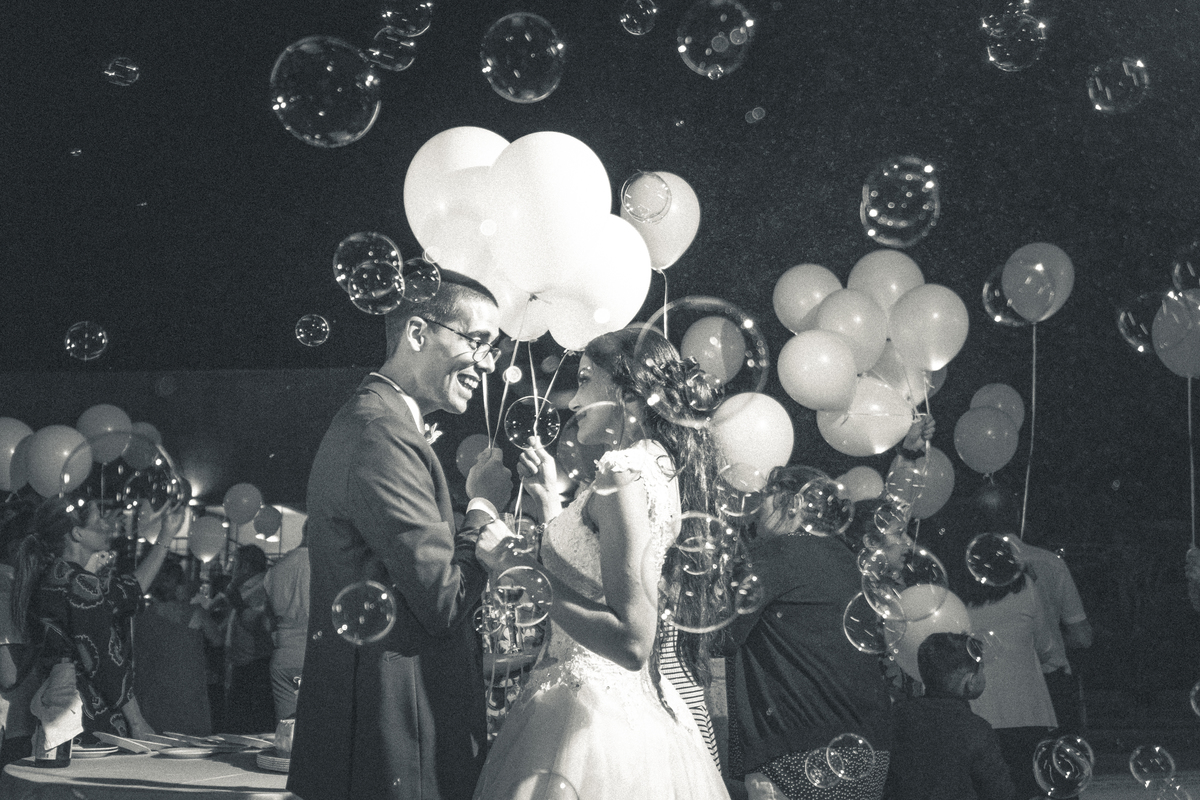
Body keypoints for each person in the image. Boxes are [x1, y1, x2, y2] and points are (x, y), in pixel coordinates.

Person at [471, 328, 732, 800]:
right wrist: (551, 500)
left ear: (627, 393)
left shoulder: (624, 472)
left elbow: (632, 641)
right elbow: (589, 572)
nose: (572, 402)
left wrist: (515, 563)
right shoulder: (654, 464)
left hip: (590, 724)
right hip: (605, 707)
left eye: (586, 379)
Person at [288, 271, 512, 800]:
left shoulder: (381, 421)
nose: (486, 363)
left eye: (493, 349)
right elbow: (442, 598)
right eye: (477, 341)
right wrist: (483, 508)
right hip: (392, 731)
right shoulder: (381, 432)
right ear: (417, 332)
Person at [724, 465, 893, 800]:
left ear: (793, 504)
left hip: (799, 750)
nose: (756, 508)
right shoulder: (848, 559)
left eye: (766, 496)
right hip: (870, 751)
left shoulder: (775, 553)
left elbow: (721, 635)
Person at [10, 496, 186, 741]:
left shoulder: (51, 577)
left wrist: (167, 535)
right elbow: (105, 659)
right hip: (89, 717)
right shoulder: (79, 583)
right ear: (77, 534)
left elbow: (129, 592)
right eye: (99, 519)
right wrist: (137, 721)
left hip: (56, 711)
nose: (108, 525)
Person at [948, 532, 1057, 800]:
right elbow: (1047, 647)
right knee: (1028, 789)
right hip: (1028, 711)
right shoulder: (1026, 588)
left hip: (977, 712)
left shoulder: (956, 598)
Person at [884, 632, 1016, 800]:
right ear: (970, 681)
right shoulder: (975, 729)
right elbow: (999, 793)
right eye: (981, 669)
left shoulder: (898, 715)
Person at [133, 559, 212, 734]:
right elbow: (217, 639)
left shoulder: (145, 616)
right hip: (188, 686)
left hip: (155, 688)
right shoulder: (196, 613)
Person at [218, 543, 274, 734]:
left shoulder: (261, 587)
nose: (231, 569)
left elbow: (259, 625)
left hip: (255, 662)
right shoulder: (242, 588)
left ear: (246, 566)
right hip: (241, 662)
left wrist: (238, 603)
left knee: (249, 721)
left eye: (235, 563)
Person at [263, 529, 309, 721]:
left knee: (286, 727)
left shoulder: (277, 568)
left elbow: (268, 622)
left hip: (283, 655)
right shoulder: (325, 567)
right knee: (316, 727)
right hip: (313, 654)